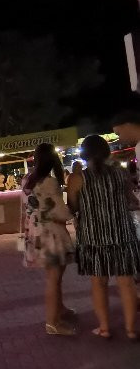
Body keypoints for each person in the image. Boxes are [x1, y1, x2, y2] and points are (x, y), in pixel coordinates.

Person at [67, 134, 140, 340]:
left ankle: (105, 328)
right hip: (122, 235)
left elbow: (73, 207)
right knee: (126, 283)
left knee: (99, 284)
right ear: (107, 152)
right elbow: (131, 201)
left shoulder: (78, 178)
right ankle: (131, 330)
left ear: (84, 155)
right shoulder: (120, 173)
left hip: (93, 237)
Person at [21, 143, 75, 336]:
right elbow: (61, 212)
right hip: (52, 235)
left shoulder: (27, 180)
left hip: (35, 234)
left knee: (54, 277)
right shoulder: (49, 182)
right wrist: (72, 209)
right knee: (54, 278)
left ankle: (60, 310)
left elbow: (27, 210)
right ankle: (53, 322)